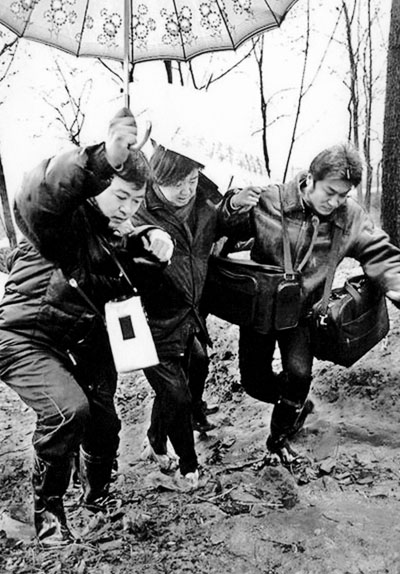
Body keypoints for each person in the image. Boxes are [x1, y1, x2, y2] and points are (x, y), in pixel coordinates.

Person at [0, 108, 174, 546]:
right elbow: (34, 193)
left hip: (83, 341)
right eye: (120, 197)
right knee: (68, 410)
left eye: (136, 201)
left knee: (104, 424)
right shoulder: (61, 220)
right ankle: (48, 513)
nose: (127, 209)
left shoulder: (119, 237)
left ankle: (96, 497)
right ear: (97, 188)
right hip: (25, 337)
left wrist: (153, 245)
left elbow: (127, 284)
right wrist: (101, 158)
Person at [220, 143, 400, 464]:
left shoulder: (349, 217)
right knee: (254, 382)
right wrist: (233, 204)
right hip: (260, 310)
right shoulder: (271, 200)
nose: (335, 202)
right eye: (330, 192)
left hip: (302, 312)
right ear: (311, 179)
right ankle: (295, 405)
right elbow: (222, 225)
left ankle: (279, 437)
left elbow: (381, 253)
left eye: (343, 195)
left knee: (299, 375)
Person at [132, 141, 258, 489]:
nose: (186, 190)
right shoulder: (138, 213)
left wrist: (235, 203)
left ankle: (155, 439)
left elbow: (226, 221)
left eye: (192, 180)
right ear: (157, 177)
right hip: (150, 322)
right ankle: (188, 466)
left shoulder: (203, 207)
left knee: (193, 370)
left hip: (189, 318)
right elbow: (120, 251)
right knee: (177, 395)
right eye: (177, 183)